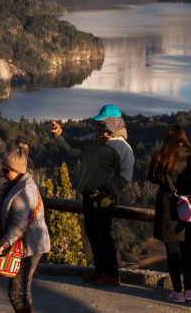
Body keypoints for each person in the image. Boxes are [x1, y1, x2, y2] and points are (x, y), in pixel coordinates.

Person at [50, 104, 134, 287]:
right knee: (92, 234)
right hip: (88, 195)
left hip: (105, 198)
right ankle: (100, 270)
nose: (98, 126)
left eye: (102, 123)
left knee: (103, 236)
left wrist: (107, 190)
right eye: (98, 123)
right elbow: (72, 146)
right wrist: (59, 133)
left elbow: (125, 176)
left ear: (112, 123)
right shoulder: (91, 140)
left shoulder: (121, 147)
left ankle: (112, 274)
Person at [146, 125, 191, 303]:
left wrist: (166, 181)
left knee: (172, 252)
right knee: (188, 251)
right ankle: (189, 290)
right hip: (188, 207)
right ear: (183, 137)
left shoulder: (160, 155)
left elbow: (152, 177)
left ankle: (177, 292)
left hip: (167, 206)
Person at [0, 144, 50, 313]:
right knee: (22, 290)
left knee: (17, 292)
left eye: (6, 170)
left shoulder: (22, 192)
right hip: (28, 244)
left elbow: (19, 225)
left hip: (28, 246)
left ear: (17, 171)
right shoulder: (19, 185)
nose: (3, 173)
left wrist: (2, 244)